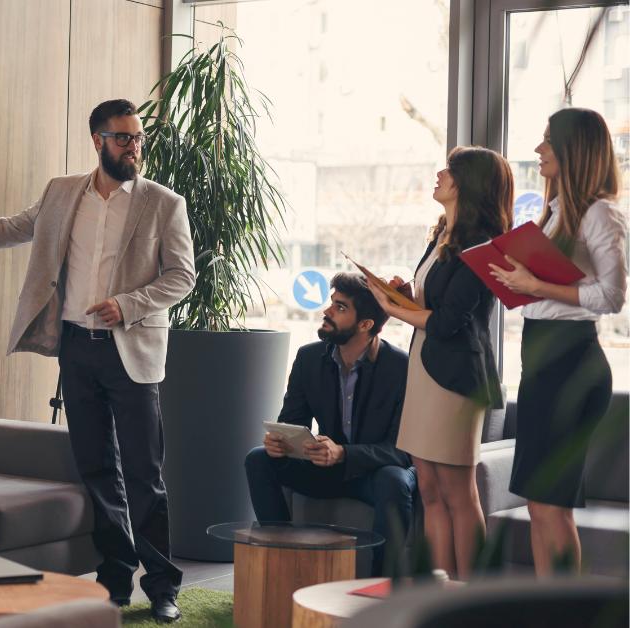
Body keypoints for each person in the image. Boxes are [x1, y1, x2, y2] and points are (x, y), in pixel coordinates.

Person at [0, 99, 195, 621]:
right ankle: (114, 582)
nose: (135, 147)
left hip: (133, 353)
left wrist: (127, 305)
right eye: (124, 138)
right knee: (97, 470)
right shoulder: (62, 193)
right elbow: (8, 228)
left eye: (139, 138)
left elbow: (181, 277)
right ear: (98, 140)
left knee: (144, 474)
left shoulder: (163, 203)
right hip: (77, 349)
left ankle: (164, 588)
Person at [488, 108, 626, 577]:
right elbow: (540, 290)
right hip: (543, 361)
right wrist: (515, 282)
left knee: (553, 506)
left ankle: (566, 613)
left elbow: (612, 297)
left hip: (571, 363)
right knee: (538, 504)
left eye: (548, 141)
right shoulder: (555, 212)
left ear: (574, 149)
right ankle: (547, 608)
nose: (538, 149)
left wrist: (535, 285)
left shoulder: (601, 212)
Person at [368, 146, 510, 580]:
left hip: (456, 378)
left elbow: (450, 322)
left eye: (451, 170)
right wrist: (405, 296)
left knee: (457, 493)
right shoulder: (443, 236)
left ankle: (471, 600)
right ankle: (441, 591)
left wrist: (394, 311)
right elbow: (435, 306)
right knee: (428, 489)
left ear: (470, 184)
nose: (440, 173)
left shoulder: (484, 246)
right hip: (426, 369)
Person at [245, 273, 415, 577]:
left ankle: (381, 587)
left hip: (372, 474)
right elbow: (291, 422)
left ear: (365, 325)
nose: (326, 311)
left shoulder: (401, 367)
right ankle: (283, 567)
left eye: (339, 307)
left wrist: (343, 454)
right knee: (258, 459)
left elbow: (402, 452)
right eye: (331, 303)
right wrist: (280, 442)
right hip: (324, 468)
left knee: (396, 480)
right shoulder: (309, 357)